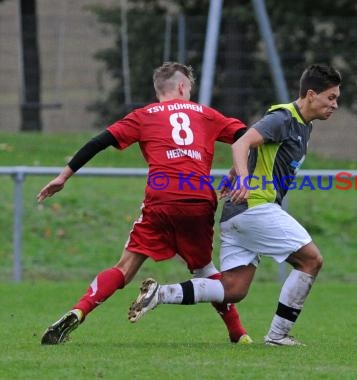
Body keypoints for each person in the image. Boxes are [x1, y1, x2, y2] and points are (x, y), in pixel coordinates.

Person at [38, 62, 252, 345]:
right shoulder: (206, 114)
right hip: (199, 199)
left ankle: (80, 310)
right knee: (205, 270)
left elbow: (98, 142)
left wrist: (63, 176)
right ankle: (239, 335)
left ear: (159, 89)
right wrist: (238, 171)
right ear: (182, 87)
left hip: (161, 200)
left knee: (125, 268)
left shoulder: (143, 116)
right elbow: (248, 138)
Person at [127, 64, 342, 346]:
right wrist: (242, 179)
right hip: (255, 207)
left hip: (238, 215)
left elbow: (255, 149)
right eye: (331, 97)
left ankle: (161, 294)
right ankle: (278, 336)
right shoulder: (283, 118)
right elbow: (241, 143)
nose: (335, 105)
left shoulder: (304, 126)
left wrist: (233, 173)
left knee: (233, 289)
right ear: (311, 94)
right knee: (311, 260)